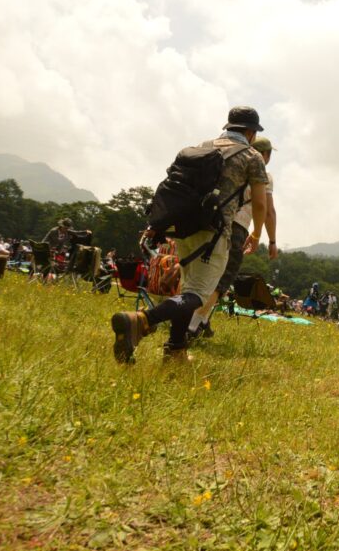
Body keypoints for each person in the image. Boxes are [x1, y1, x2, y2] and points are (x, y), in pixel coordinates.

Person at [110, 106, 269, 364]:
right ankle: (140, 320)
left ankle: (176, 351)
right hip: (214, 232)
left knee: (187, 290)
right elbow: (260, 204)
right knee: (197, 296)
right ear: (251, 133)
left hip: (183, 229)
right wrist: (257, 234)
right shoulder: (252, 156)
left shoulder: (203, 145)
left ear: (229, 126)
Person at [189, 135, 279, 339]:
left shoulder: (231, 162)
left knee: (203, 272)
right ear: (265, 154)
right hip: (237, 227)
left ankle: (202, 321)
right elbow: (267, 210)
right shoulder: (263, 173)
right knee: (223, 277)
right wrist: (270, 240)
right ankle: (192, 325)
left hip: (209, 219)